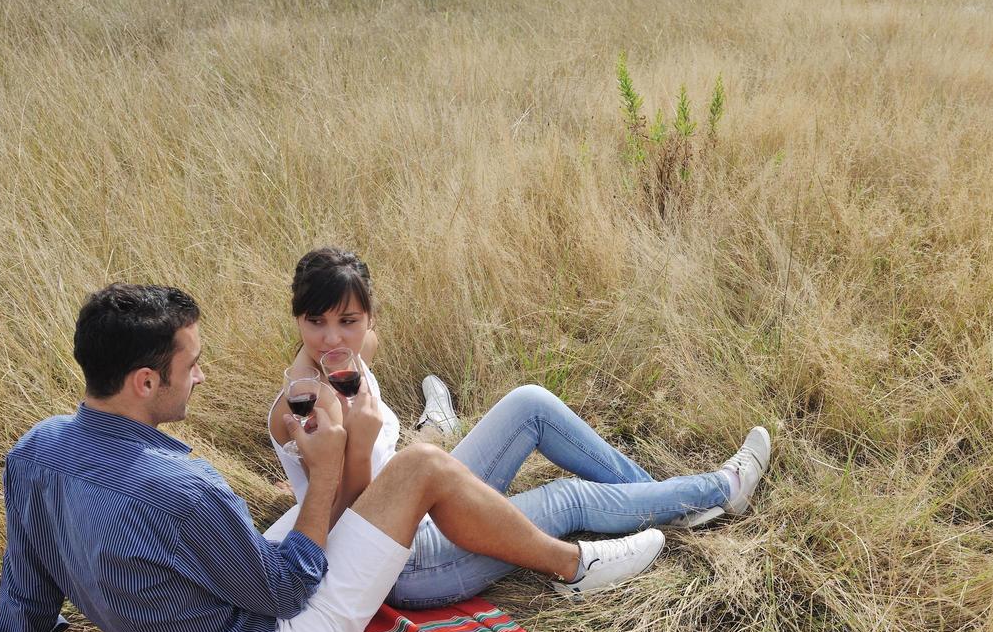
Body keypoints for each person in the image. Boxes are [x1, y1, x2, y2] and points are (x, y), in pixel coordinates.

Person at [0, 285, 672, 632]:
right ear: (142, 382)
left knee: (378, 476)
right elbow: (284, 591)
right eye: (191, 366)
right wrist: (330, 467)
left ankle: (480, 486)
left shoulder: (36, 451)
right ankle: (569, 567)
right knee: (422, 469)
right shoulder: (180, 487)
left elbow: (28, 594)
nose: (203, 377)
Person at [266, 248, 772, 607]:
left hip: (426, 502)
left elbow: (356, 344)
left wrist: (342, 346)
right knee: (570, 499)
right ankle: (722, 490)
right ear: (295, 320)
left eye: (348, 320)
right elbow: (349, 516)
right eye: (315, 322)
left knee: (529, 403)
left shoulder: (341, 357)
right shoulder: (306, 409)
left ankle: (662, 501)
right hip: (404, 562)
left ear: (369, 317)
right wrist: (363, 439)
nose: (333, 337)